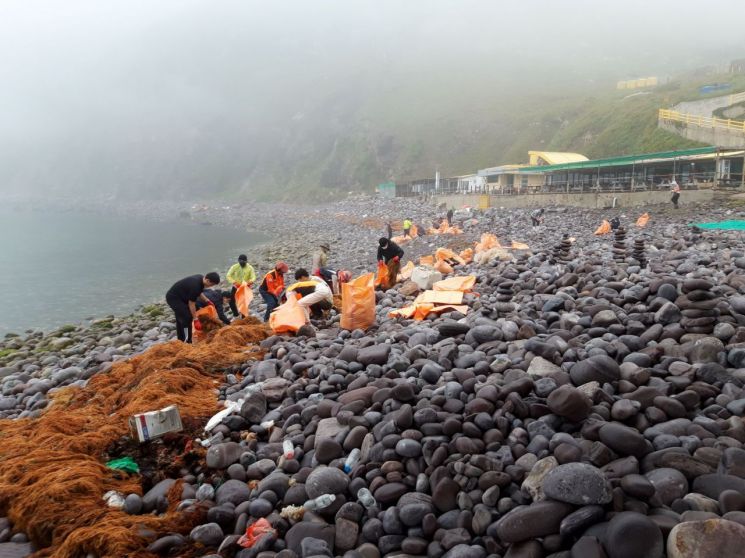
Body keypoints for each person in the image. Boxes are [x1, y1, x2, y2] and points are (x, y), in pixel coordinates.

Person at [165, 272, 220, 343]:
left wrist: (207, 300)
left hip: (182, 297)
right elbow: (191, 303)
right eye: (211, 284)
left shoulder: (200, 278)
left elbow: (199, 292)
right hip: (174, 298)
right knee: (187, 317)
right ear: (207, 280)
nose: (211, 286)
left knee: (181, 317)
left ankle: (180, 339)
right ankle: (187, 341)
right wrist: (195, 319)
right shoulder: (195, 286)